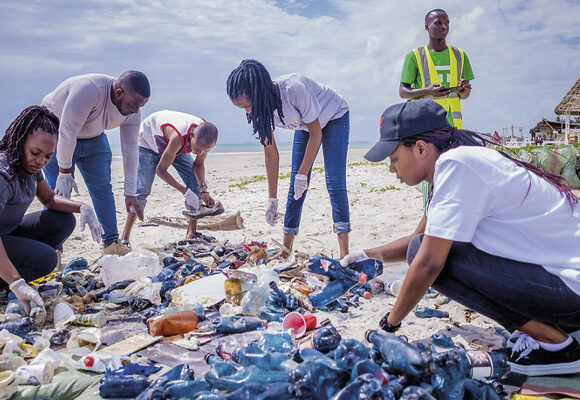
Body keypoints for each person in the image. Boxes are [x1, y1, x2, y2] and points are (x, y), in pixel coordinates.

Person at [342, 99, 580, 376]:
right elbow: (420, 239)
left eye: (394, 158)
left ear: (420, 148)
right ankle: (559, 329)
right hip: (565, 286)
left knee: (434, 261)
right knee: (427, 250)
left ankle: (556, 345)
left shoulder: (457, 167)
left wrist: (389, 326)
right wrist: (367, 256)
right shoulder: (463, 162)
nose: (392, 168)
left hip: (569, 290)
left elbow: (427, 261)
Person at [227, 59, 351, 258]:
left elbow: (317, 134)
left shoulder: (294, 89)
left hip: (334, 116)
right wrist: (272, 199)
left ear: (259, 92)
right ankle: (286, 250)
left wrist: (303, 173)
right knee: (296, 185)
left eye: (247, 106)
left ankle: (345, 253)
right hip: (307, 126)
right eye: (241, 108)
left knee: (334, 181)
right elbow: (270, 152)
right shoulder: (259, 111)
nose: (247, 112)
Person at [0, 106, 103, 314]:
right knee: (47, 259)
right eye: (35, 153)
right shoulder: (4, 174)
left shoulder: (30, 167)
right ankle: (8, 281)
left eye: (48, 156)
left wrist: (83, 207)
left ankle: (15, 270)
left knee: (63, 221)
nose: (41, 161)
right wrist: (16, 282)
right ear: (20, 143)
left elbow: (48, 198)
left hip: (7, 232)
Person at [41, 71, 150, 255]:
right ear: (119, 93)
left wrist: (130, 192)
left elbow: (131, 148)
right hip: (56, 132)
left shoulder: (133, 110)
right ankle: (53, 249)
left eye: (140, 107)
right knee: (57, 193)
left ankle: (111, 243)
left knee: (102, 189)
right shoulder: (89, 89)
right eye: (133, 106)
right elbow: (67, 131)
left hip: (93, 136)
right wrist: (65, 172)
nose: (136, 112)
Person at [120, 110, 219, 244]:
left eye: (205, 150)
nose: (200, 152)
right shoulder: (179, 137)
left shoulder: (204, 138)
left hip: (174, 146)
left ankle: (192, 233)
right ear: (191, 135)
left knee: (193, 180)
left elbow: (198, 165)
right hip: (148, 142)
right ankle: (124, 238)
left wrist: (203, 190)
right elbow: (161, 170)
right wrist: (185, 192)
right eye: (199, 148)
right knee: (142, 190)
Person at [399, 8, 474, 128]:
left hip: (454, 128)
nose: (444, 26)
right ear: (427, 27)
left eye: (446, 23)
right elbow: (403, 92)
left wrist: (465, 92)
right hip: (425, 127)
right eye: (438, 23)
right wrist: (427, 91)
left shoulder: (460, 55)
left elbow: (464, 95)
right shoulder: (415, 56)